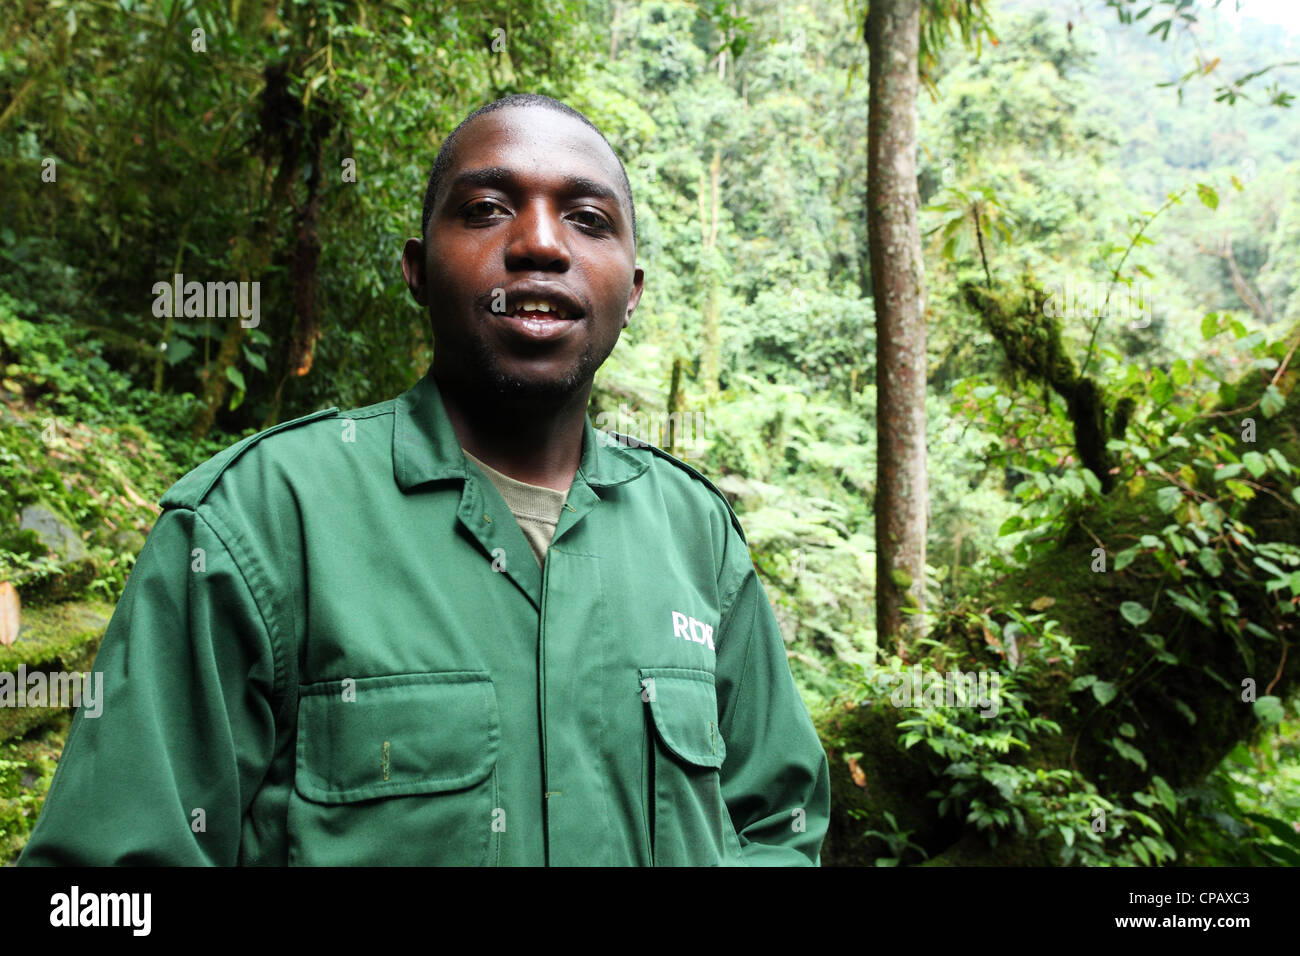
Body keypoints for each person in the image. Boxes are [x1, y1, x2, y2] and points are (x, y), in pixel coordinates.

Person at [18, 93, 830, 866]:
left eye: (588, 221)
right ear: (416, 269)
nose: (542, 244)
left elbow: (777, 820)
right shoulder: (256, 524)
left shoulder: (697, 538)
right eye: (485, 210)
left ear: (633, 293)